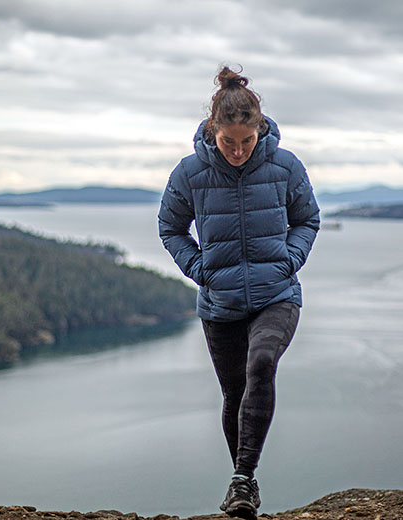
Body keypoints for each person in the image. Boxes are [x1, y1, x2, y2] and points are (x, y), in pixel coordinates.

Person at [158, 65, 319, 520]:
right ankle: (244, 485)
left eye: (246, 142)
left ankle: (240, 478)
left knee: (262, 363)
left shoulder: (286, 166)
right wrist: (199, 269)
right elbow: (170, 228)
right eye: (229, 142)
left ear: (259, 129)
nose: (237, 150)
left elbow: (307, 219)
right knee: (234, 393)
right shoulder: (190, 173)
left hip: (277, 295)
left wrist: (288, 261)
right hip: (221, 304)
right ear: (213, 130)